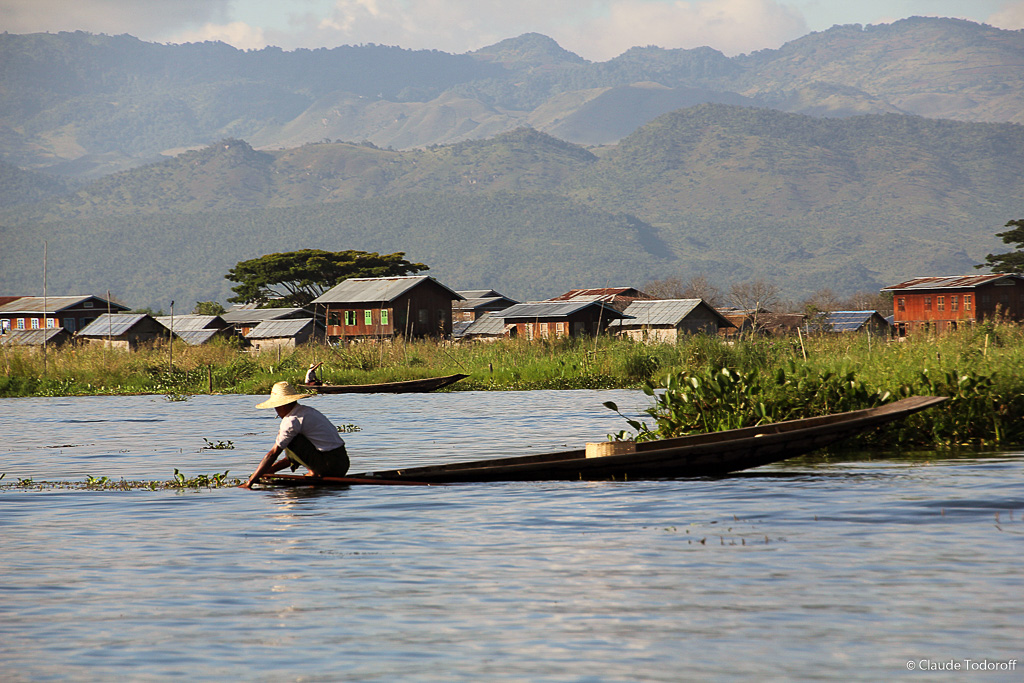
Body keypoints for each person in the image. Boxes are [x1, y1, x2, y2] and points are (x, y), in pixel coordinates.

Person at [243, 381, 349, 488]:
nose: (276, 411)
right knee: (289, 439)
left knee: (290, 440)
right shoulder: (307, 411)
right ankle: (314, 470)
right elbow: (295, 456)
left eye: (276, 407)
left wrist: (250, 482)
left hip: (329, 466)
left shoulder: (291, 420)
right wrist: (271, 469)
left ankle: (314, 472)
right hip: (342, 463)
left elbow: (273, 454)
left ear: (282, 405)